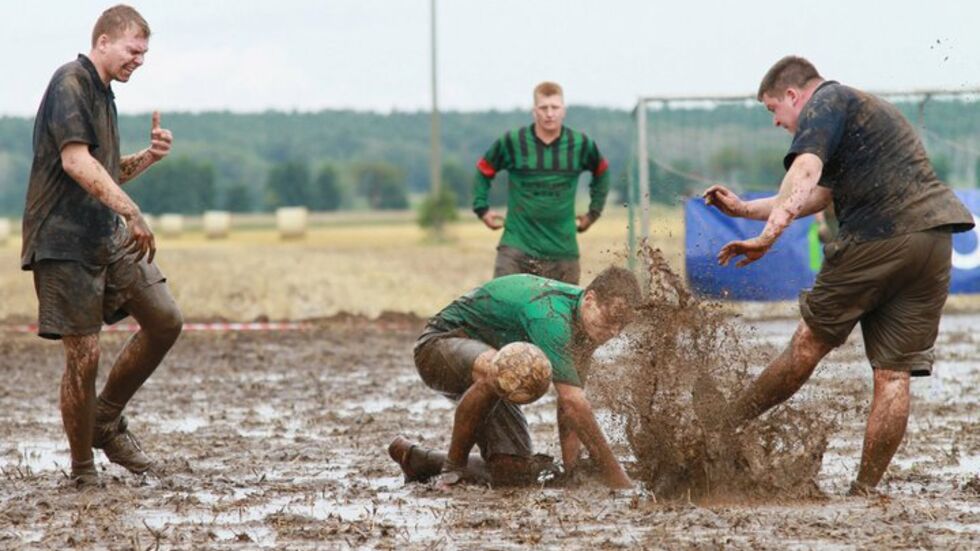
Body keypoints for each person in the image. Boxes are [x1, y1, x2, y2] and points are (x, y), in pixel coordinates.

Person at [702, 56, 974, 495]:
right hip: (934, 239)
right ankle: (864, 490)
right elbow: (816, 194)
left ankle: (720, 426)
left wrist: (767, 238)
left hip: (880, 237)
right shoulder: (861, 109)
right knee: (893, 375)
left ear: (794, 95)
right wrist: (743, 211)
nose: (776, 122)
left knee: (806, 346)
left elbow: (804, 172)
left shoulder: (824, 102)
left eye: (773, 109)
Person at [22, 4, 183, 488]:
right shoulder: (70, 82)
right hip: (62, 240)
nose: (140, 60)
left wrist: (148, 159)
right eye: (134, 50)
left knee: (164, 319)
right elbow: (74, 163)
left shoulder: (104, 94)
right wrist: (132, 211)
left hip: (103, 235)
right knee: (84, 357)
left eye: (145, 53)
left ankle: (105, 421)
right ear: (105, 41)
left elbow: (103, 173)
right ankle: (83, 472)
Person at [389, 267, 640, 489]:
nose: (614, 332)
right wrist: (618, 478)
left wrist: (572, 470)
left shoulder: (587, 328)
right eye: (610, 320)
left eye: (622, 325)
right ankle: (450, 471)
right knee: (506, 368)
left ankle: (418, 459)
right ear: (590, 299)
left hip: (495, 359)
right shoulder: (551, 317)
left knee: (512, 471)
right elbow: (575, 404)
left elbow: (569, 408)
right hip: (439, 346)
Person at [473, 81, 610, 285]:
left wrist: (593, 213)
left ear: (563, 111)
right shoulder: (513, 142)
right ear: (534, 111)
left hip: (562, 251)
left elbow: (602, 172)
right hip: (516, 247)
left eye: (555, 107)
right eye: (543, 108)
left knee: (562, 315)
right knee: (500, 307)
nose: (549, 113)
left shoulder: (580, 144)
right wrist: (482, 209)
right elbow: (484, 169)